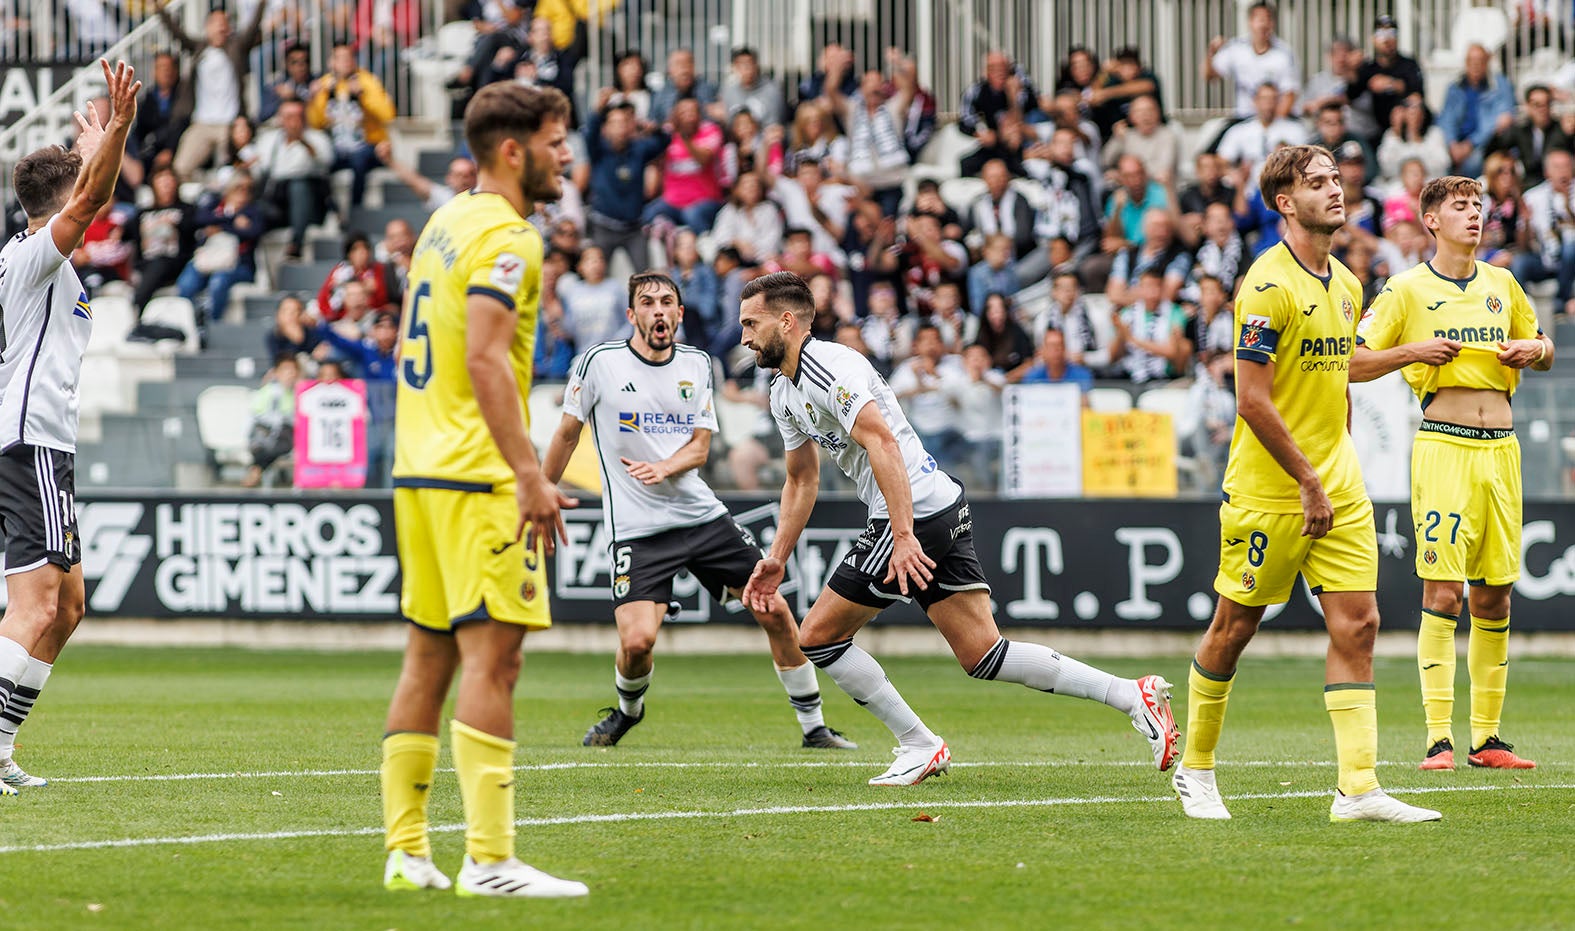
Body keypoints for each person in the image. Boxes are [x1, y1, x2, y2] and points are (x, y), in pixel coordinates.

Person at [737, 272, 1179, 787]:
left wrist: (902, 535)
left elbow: (883, 443)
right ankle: (1132, 695)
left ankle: (918, 744)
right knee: (984, 653)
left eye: (751, 323)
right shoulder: (782, 391)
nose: (744, 337)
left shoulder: (830, 367)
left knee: (817, 637)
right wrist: (778, 557)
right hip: (937, 506)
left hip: (913, 515)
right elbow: (800, 478)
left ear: (786, 321)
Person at [1171, 144, 1441, 824]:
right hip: (1273, 490)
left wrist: (1406, 355)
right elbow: (1252, 400)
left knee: (1359, 622)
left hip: (1337, 483)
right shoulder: (1265, 287)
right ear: (1285, 202)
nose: (1335, 189)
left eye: (1335, 179)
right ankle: (1195, 769)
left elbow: (1340, 366)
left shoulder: (1346, 283)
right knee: (1233, 626)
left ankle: (1357, 787)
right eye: (1316, 183)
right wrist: (1307, 481)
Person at [379, 82, 587, 897]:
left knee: (428, 655)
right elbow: (485, 357)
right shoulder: (511, 237)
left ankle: (406, 851)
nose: (565, 153)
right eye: (556, 138)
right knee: (494, 659)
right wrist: (531, 473)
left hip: (419, 466)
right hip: (477, 475)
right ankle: (491, 860)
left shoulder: (445, 222)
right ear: (514, 149)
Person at [542, 272, 855, 749]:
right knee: (637, 642)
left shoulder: (695, 364)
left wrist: (665, 465)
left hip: (701, 518)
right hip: (636, 528)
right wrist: (542, 492)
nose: (659, 310)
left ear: (681, 314)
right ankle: (628, 712)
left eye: (668, 302)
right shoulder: (598, 363)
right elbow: (566, 435)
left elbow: (701, 447)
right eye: (647, 303)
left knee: (772, 608)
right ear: (632, 315)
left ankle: (814, 727)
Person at [1350, 175, 1553, 771]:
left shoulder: (1503, 283)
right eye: (1460, 207)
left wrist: (1532, 351)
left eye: (1478, 206)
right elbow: (1355, 361)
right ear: (1430, 220)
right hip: (1445, 447)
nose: (1473, 215)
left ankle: (1487, 739)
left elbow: (1544, 345)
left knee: (1496, 597)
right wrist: (1414, 352)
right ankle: (1438, 738)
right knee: (1443, 592)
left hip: (1503, 448)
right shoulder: (1406, 290)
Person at [0, 60, 140, 793]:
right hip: (31, 441)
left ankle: (0, 748)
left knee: (70, 604)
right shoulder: (37, 254)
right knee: (35, 605)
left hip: (39, 442)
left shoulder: (34, 260)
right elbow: (89, 203)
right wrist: (112, 132)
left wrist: (96, 153)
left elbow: (89, 197)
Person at [154, 2, 267, 181]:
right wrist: (160, 9)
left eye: (225, 23)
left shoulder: (236, 48)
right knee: (180, 169)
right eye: (217, 22)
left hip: (229, 125)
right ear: (207, 26)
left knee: (234, 173)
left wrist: (262, 4)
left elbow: (253, 28)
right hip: (202, 123)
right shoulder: (199, 48)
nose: (221, 27)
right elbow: (177, 33)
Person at [308, 42, 397, 208]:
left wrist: (363, 96)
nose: (345, 62)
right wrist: (314, 99)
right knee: (316, 162)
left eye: (349, 57)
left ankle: (356, 208)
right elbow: (316, 123)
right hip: (338, 148)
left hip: (369, 146)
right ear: (331, 62)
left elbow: (388, 114)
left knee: (359, 158)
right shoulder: (325, 85)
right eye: (340, 58)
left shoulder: (367, 81)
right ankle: (332, 209)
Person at [1204, 1, 1299, 122]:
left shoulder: (1284, 54)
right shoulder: (1236, 48)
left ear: (1273, 23)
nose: (1263, 24)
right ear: (1250, 22)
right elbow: (1210, 76)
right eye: (1259, 19)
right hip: (1243, 118)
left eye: (1267, 19)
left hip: (1275, 119)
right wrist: (1211, 53)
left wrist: (1272, 125)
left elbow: (1289, 95)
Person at [1437, 44, 1514, 179]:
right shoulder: (1455, 87)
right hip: (1456, 143)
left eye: (1480, 61)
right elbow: (1446, 118)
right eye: (1472, 61)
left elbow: (1498, 119)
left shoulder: (1499, 85)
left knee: (1473, 163)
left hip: (1483, 143)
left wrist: (1470, 144)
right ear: (1466, 63)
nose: (1476, 65)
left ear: (1487, 63)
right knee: (1440, 160)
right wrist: (1452, 144)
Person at [244, 354, 301, 488]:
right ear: (276, 373)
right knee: (276, 441)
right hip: (266, 435)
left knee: (283, 437)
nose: (290, 374)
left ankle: (256, 469)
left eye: (293, 370)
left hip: (288, 437)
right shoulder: (268, 392)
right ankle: (257, 469)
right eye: (286, 370)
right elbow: (257, 417)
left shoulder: (298, 393)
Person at [377, 143, 477, 213]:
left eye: (470, 174)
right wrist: (390, 160)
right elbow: (414, 180)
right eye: (458, 175)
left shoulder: (483, 197)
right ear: (448, 178)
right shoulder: (443, 197)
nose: (464, 180)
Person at [1014, 328, 1093, 395]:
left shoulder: (1082, 375)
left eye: (1059, 345)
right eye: (1051, 346)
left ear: (1065, 349)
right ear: (1042, 351)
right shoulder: (1032, 376)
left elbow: (1086, 403)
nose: (1056, 350)